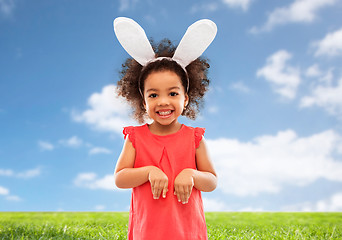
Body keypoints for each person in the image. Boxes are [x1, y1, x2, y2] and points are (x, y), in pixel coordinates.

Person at [113, 17, 218, 240]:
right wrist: (148, 171)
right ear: (143, 101)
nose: (163, 102)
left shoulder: (194, 138)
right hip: (147, 232)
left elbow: (211, 181)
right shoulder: (135, 137)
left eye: (172, 93)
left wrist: (191, 174)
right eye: (153, 95)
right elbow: (120, 178)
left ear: (186, 98)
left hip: (187, 232)